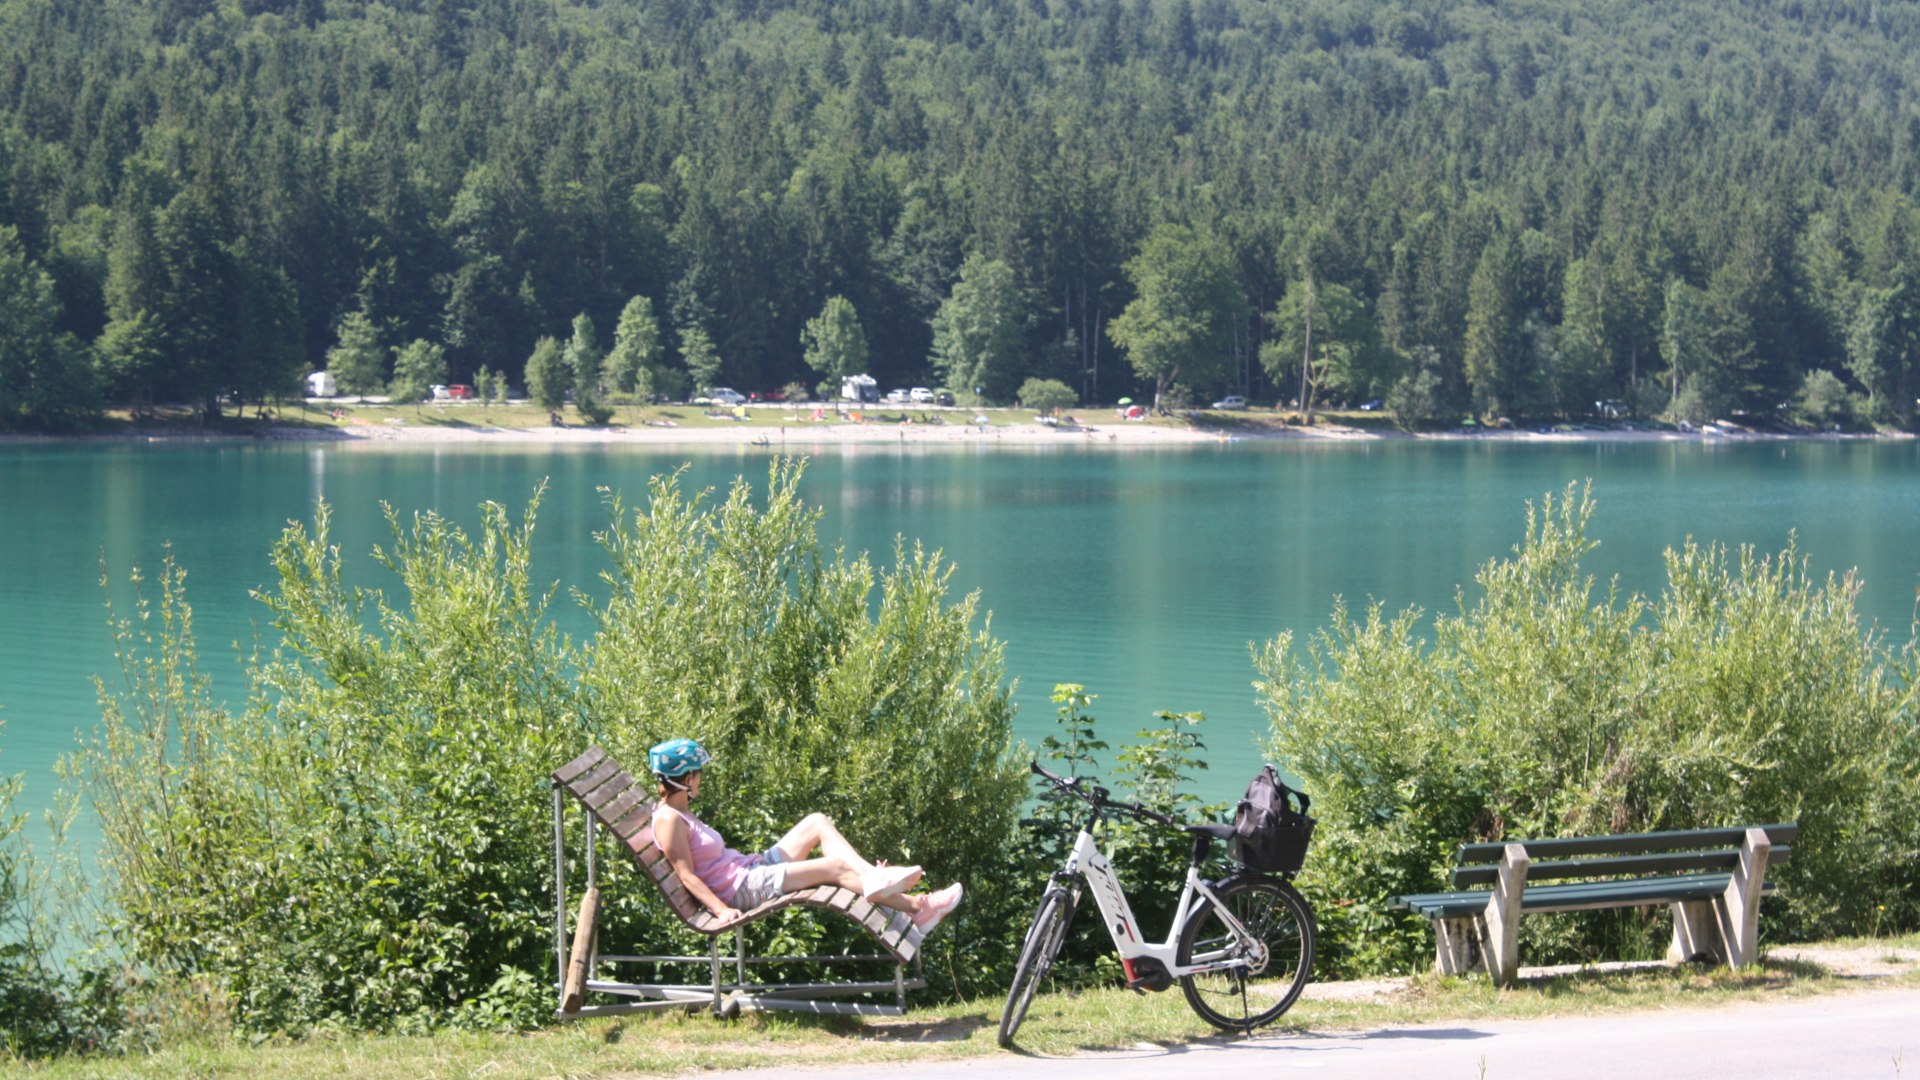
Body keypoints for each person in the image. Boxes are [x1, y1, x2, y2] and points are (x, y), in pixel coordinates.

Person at [642, 738, 964, 932]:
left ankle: (872, 875)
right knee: (835, 869)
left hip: (750, 870)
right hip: (741, 888)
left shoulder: (681, 812)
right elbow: (687, 876)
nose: (700, 779)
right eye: (697, 774)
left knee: (816, 821)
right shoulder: (670, 820)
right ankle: (919, 906)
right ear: (684, 777)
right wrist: (720, 910)